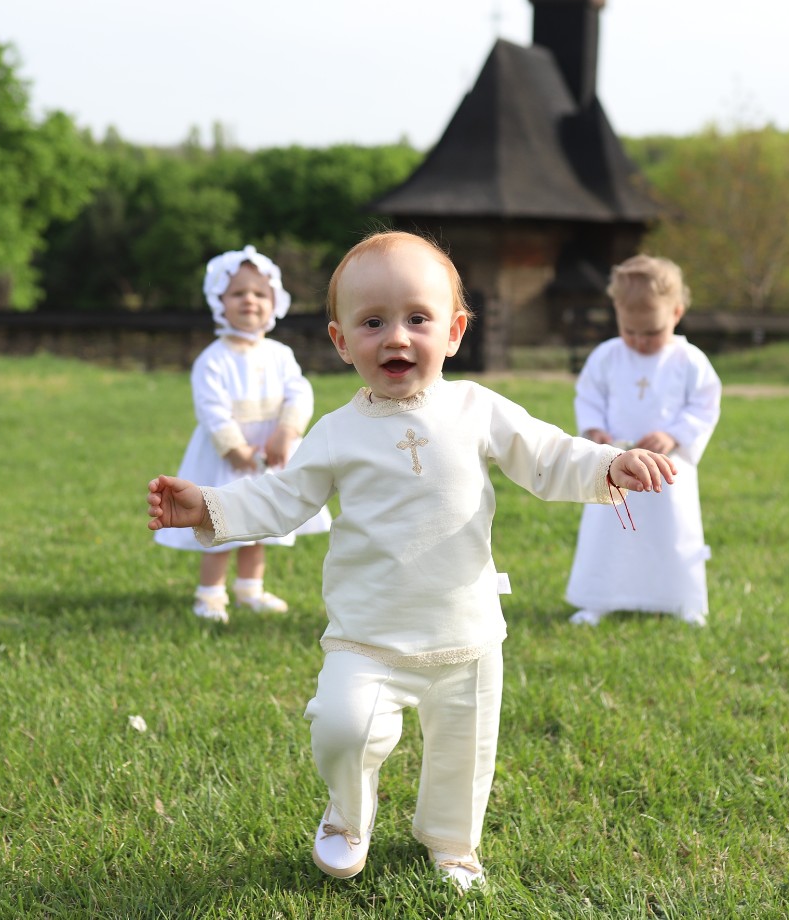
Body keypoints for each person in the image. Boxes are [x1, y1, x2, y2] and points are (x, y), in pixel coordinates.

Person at [148, 231, 675, 892]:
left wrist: (610, 464)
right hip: (369, 635)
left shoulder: (477, 409)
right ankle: (348, 812)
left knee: (463, 751)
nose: (396, 337)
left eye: (417, 319)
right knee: (343, 728)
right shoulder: (337, 432)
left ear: (454, 332)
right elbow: (281, 497)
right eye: (373, 323)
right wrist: (209, 507)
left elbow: (547, 455)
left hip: (465, 632)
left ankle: (452, 843)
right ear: (342, 341)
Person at [153, 245, 330, 623]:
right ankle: (210, 594)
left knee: (259, 523)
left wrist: (288, 430)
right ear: (219, 301)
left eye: (259, 293)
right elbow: (211, 408)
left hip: (272, 450)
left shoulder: (280, 354)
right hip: (227, 459)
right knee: (219, 522)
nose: (249, 300)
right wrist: (234, 448)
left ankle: (250, 588)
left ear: (275, 302)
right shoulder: (213, 359)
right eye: (238, 293)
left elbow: (299, 392)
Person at [566, 255, 722, 627]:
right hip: (615, 464)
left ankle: (682, 599)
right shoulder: (606, 357)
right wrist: (594, 430)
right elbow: (589, 396)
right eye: (630, 330)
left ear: (676, 313)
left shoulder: (689, 360)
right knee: (608, 532)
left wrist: (674, 434)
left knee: (673, 530)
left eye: (651, 332)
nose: (639, 341)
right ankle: (599, 597)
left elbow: (705, 404)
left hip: (669, 469)